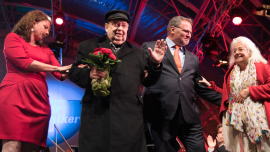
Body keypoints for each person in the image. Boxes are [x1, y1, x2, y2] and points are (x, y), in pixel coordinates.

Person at [68, 10, 167, 152]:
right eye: (116, 24)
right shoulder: (88, 46)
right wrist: (89, 73)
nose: (120, 28)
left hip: (129, 117)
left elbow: (148, 81)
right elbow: (73, 72)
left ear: (127, 29)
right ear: (106, 26)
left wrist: (156, 64)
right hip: (97, 114)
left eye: (124, 25)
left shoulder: (138, 53)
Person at [142, 16, 222, 152]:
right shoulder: (150, 47)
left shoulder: (193, 59)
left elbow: (199, 87)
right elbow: (144, 78)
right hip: (161, 117)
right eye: (186, 31)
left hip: (190, 118)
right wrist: (155, 63)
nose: (189, 35)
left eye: (190, 33)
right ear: (172, 29)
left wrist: (227, 100)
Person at [0, 10, 71, 151]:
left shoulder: (46, 50)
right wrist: (61, 69)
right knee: (12, 146)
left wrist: (81, 67)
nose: (47, 33)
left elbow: (61, 74)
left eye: (49, 30)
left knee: (31, 149)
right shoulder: (13, 38)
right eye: (45, 27)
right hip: (14, 97)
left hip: (39, 103)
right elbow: (26, 63)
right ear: (33, 23)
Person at [199, 36, 270, 152]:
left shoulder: (261, 67)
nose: (237, 53)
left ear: (250, 50)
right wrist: (211, 86)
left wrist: (250, 91)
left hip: (261, 121)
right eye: (234, 51)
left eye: (240, 49)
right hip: (240, 123)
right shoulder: (231, 73)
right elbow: (229, 96)